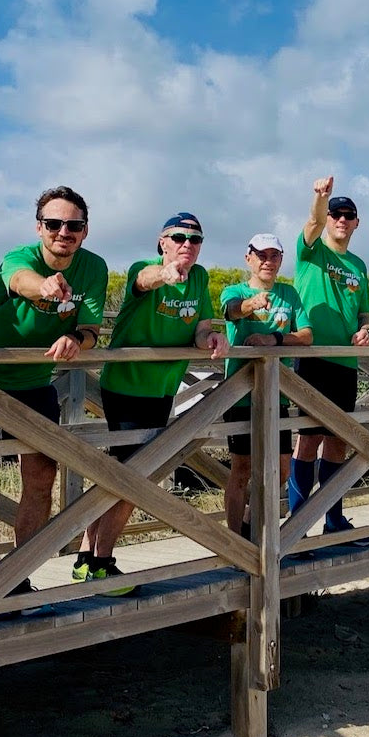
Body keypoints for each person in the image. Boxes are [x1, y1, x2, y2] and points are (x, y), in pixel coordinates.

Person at [74, 212, 229, 595]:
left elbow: (200, 328)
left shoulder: (200, 277)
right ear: (162, 242)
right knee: (133, 477)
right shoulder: (143, 268)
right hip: (127, 386)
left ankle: (85, 557)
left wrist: (211, 339)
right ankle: (101, 565)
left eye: (195, 239)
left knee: (123, 472)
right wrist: (166, 274)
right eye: (179, 237)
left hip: (163, 387)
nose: (187, 244)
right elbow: (144, 281)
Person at [0, 186, 107, 613]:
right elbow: (20, 280)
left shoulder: (94, 267)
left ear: (85, 231)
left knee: (41, 478)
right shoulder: (19, 258)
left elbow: (91, 329)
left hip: (36, 382)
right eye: (53, 224)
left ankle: (18, 577)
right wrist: (44, 286)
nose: (63, 232)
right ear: (39, 227)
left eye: (73, 225)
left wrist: (77, 339)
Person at [289, 177, 369, 537]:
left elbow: (364, 312)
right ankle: (297, 521)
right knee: (308, 439)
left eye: (347, 215)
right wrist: (320, 198)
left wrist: (366, 330)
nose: (340, 219)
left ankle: (333, 518)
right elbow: (313, 223)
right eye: (335, 214)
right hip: (313, 359)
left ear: (356, 223)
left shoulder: (359, 265)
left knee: (338, 440)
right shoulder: (311, 252)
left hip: (346, 362)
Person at [221, 234, 312, 537]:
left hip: (277, 394)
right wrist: (251, 304)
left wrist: (274, 339)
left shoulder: (289, 293)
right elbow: (231, 310)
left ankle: (251, 527)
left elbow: (306, 335)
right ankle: (235, 542)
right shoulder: (235, 290)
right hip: (241, 394)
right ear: (248, 258)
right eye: (261, 255)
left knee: (282, 468)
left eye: (274, 256)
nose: (267, 262)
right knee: (242, 468)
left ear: (281, 260)